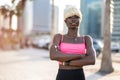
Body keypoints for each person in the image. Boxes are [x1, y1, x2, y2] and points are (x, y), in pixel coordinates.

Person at [50, 6, 96, 80]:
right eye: (70, 17)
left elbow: (91, 60)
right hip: (62, 75)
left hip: (79, 76)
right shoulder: (59, 37)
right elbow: (53, 55)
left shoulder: (86, 39)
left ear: (80, 20)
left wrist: (66, 62)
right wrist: (79, 56)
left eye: (76, 17)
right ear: (65, 21)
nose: (73, 20)